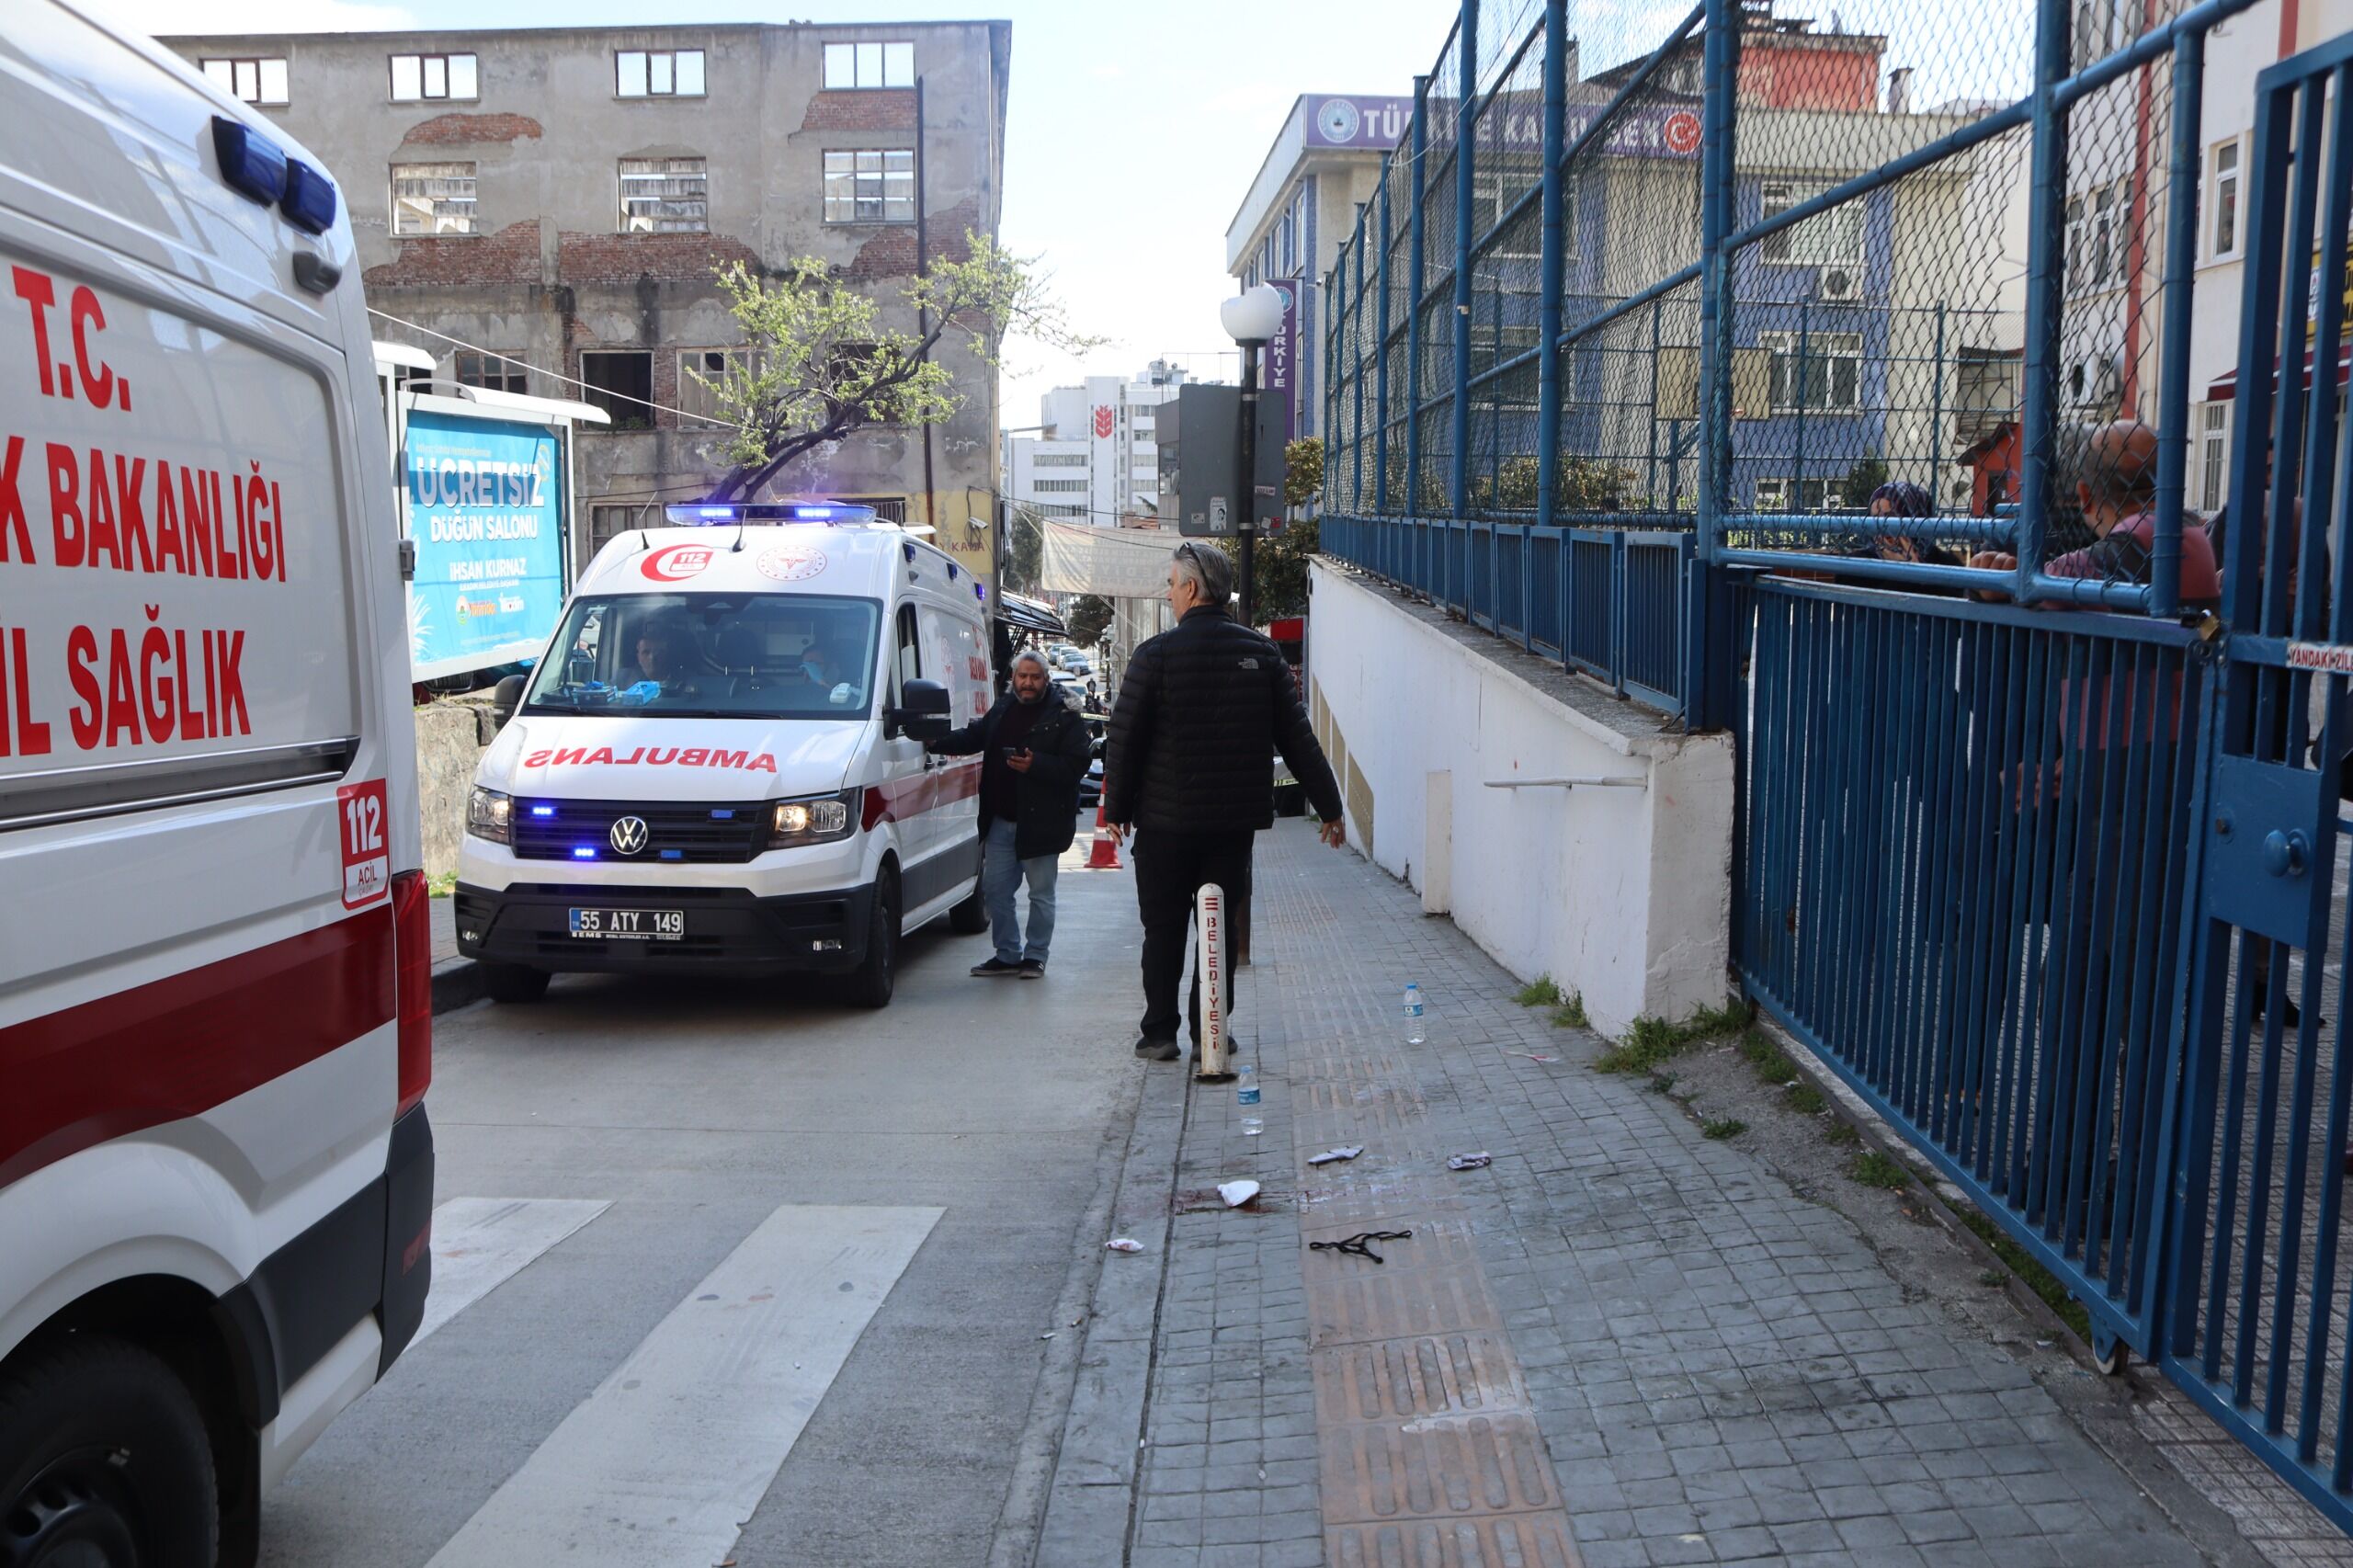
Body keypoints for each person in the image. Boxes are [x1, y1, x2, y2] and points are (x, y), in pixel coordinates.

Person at [1104, 542, 1347, 1062]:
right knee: (1218, 928)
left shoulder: (1155, 657)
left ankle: (1160, 1033)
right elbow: (1298, 739)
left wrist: (1117, 811)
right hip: (1230, 829)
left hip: (1164, 826)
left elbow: (1125, 740)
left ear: (1192, 588)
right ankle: (1212, 1032)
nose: (1168, 594)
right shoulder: (1262, 655)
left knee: (1164, 929)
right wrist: (1329, 807)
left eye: (1171, 584)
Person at [926, 649, 1093, 978]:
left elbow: (1077, 764)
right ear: (1013, 679)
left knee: (1041, 895)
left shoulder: (1064, 714)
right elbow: (975, 737)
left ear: (1046, 679)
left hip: (1042, 824)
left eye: (1034, 677)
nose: (1027, 683)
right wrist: (935, 742)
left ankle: (1035, 956)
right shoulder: (1003, 707)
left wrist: (1036, 765)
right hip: (1001, 820)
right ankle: (1007, 954)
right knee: (995, 891)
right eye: (1022, 676)